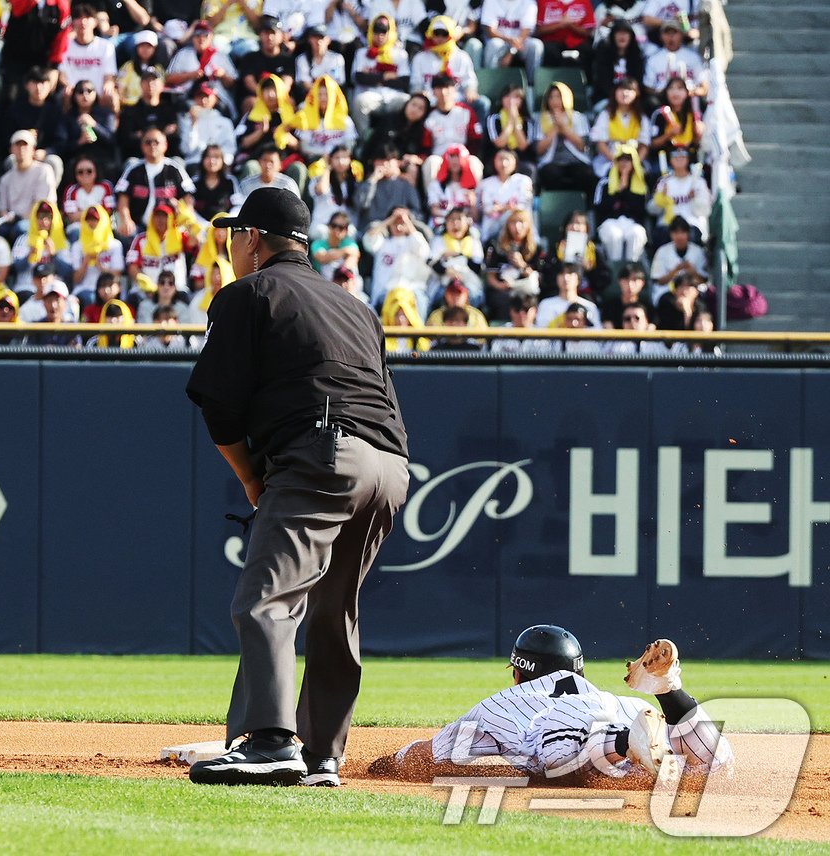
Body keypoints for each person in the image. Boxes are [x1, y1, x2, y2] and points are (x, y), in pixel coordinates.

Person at [185, 187, 409, 788]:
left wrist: (255, 482)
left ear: (253, 239)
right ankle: (320, 754)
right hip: (390, 467)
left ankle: (269, 742)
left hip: (324, 453)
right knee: (335, 611)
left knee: (266, 598)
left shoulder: (249, 293)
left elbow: (220, 411)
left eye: (234, 235)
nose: (232, 246)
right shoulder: (356, 306)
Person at [371, 629, 731, 781]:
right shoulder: (615, 697)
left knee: (557, 757)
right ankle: (668, 690)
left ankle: (625, 742)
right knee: (715, 767)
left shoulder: (505, 701)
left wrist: (394, 761)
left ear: (519, 672)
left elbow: (435, 754)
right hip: (630, 717)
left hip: (571, 729)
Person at [114, 126, 195, 236]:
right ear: (142, 146)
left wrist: (185, 220)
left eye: (156, 142)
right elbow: (123, 199)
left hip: (170, 228)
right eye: (148, 142)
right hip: (139, 228)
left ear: (165, 145)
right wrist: (126, 220)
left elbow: (188, 199)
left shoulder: (175, 169)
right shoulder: (133, 169)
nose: (152, 145)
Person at [349, 14, 411, 141]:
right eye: (376, 30)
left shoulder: (400, 54)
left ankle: (401, 139)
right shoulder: (362, 53)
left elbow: (403, 82)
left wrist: (373, 77)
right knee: (358, 102)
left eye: (384, 31)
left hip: (394, 97)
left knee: (409, 102)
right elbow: (359, 78)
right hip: (370, 96)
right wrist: (385, 76)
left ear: (391, 32)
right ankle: (365, 140)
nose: (380, 35)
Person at [535, 81, 594, 194]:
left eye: (559, 97)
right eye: (551, 97)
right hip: (551, 161)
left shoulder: (578, 117)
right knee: (550, 173)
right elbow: (539, 150)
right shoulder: (541, 119)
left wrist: (564, 127)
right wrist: (555, 128)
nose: (555, 101)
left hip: (576, 160)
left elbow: (582, 146)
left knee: (584, 173)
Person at [483, 206, 541, 319]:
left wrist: (522, 265)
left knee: (527, 301)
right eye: (513, 222)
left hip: (524, 288)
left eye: (521, 222)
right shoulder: (495, 246)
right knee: (503, 300)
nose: (517, 227)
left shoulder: (535, 249)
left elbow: (537, 279)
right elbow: (491, 278)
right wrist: (502, 286)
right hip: (502, 289)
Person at [594, 144, 648, 262]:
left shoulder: (641, 184)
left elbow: (640, 210)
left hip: (632, 223)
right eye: (621, 159)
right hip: (610, 222)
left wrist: (626, 189)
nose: (624, 163)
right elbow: (600, 208)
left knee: (637, 233)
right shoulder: (604, 183)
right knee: (614, 235)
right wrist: (618, 190)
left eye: (628, 159)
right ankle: (615, 269)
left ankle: (631, 268)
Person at [0, 130, 58, 235]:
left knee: (21, 227)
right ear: (11, 149)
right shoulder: (5, 179)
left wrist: (21, 218)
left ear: (33, 150)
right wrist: (7, 218)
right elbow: (2, 208)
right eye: (17, 145)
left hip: (37, 221)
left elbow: (43, 205)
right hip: (11, 222)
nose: (21, 149)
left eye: (25, 145)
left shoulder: (44, 170)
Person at [590, 77, 650, 178]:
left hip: (634, 161)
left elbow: (644, 146)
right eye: (621, 89)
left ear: (637, 93)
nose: (625, 93)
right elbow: (600, 143)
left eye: (630, 90)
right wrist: (617, 162)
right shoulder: (605, 115)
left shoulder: (641, 118)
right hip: (609, 160)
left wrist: (634, 163)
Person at [647, 148, 709, 243]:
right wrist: (661, 198)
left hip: (691, 225)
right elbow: (651, 210)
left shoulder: (698, 182)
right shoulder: (663, 182)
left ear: (688, 158)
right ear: (670, 160)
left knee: (693, 233)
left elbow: (706, 211)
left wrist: (695, 198)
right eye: (675, 155)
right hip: (668, 226)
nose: (679, 158)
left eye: (683, 155)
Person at [480, 0, 542, 84]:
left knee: (536, 45)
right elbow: (490, 31)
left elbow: (525, 32)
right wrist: (509, 40)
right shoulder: (491, 1)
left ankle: (532, 86)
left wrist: (511, 52)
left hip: (520, 43)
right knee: (494, 44)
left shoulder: (529, 2)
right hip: (501, 41)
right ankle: (490, 83)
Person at [649, 215, 707, 289]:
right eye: (676, 232)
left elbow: (704, 280)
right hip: (668, 291)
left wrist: (692, 271)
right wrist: (675, 270)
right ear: (670, 234)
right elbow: (658, 281)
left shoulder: (698, 251)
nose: (679, 236)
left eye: (683, 232)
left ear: (688, 233)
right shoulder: (662, 251)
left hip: (692, 290)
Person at [536, 262, 600, 327]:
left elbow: (596, 333)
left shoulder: (589, 307)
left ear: (578, 279)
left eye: (570, 273)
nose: (566, 278)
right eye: (561, 273)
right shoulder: (546, 305)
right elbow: (540, 332)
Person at [600, 262, 655, 327]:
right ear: (619, 282)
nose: (630, 285)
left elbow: (652, 327)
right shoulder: (609, 307)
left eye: (634, 280)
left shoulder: (648, 307)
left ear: (642, 283)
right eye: (626, 280)